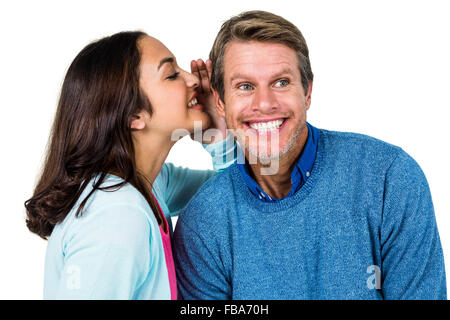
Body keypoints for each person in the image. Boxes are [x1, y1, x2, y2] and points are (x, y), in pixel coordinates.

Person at [173, 10, 447, 300]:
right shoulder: (203, 221)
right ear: (220, 101)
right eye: (245, 86)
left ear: (308, 92)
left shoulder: (388, 178)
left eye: (281, 82)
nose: (264, 104)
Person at [24, 31, 236, 299]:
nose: (194, 79)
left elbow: (233, 197)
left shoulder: (150, 183)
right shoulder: (117, 215)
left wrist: (218, 138)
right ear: (134, 115)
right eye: (171, 75)